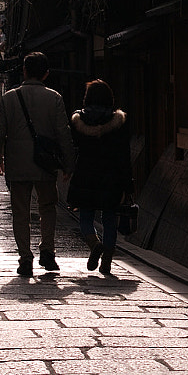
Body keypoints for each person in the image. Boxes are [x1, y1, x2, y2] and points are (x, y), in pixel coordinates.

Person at [0, 53, 75, 276]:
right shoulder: (54, 98)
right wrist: (68, 163)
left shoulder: (9, 98)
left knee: (20, 212)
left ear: (24, 71)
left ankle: (25, 258)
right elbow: (63, 133)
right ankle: (47, 251)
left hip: (17, 162)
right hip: (45, 163)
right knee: (48, 207)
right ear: (46, 73)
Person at [65, 79, 133, 275]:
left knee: (85, 215)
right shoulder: (118, 122)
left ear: (87, 98)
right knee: (109, 217)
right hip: (112, 176)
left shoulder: (79, 121)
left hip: (86, 174)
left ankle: (94, 243)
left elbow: (72, 148)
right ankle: (107, 262)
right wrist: (128, 184)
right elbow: (124, 155)